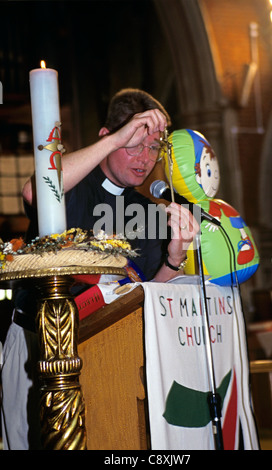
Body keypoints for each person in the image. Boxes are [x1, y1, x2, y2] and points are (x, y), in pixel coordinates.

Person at [1, 88, 199, 449]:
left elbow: (147, 293)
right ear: (107, 137)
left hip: (108, 348)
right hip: (36, 342)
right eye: (133, 144)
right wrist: (114, 143)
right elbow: (36, 192)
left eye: (153, 147)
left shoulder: (151, 210)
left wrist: (175, 256)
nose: (144, 158)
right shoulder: (74, 184)